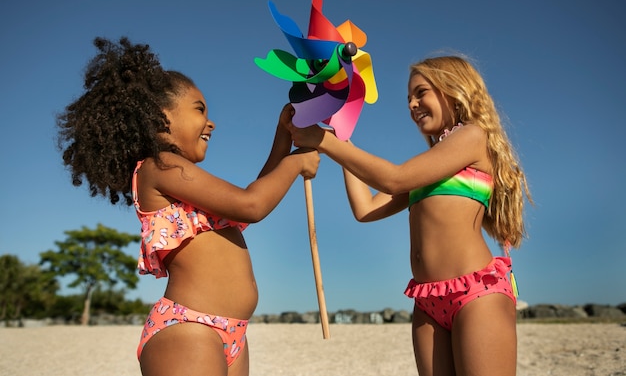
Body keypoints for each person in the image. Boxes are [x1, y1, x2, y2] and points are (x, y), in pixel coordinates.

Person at [57, 37, 320, 376]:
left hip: (232, 331)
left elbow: (250, 195)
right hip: (188, 329)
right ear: (157, 118)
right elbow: (251, 205)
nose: (211, 122)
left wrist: (283, 137)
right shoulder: (159, 166)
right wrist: (296, 163)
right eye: (199, 109)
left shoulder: (182, 178)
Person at [289, 55, 531, 376]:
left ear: (454, 90)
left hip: (475, 293)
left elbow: (394, 178)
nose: (412, 104)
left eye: (421, 93)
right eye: (408, 98)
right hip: (428, 299)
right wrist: (341, 134)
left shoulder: (473, 137)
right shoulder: (430, 164)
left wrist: (325, 142)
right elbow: (367, 209)